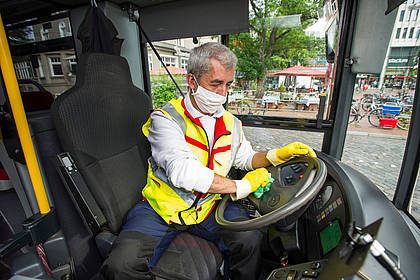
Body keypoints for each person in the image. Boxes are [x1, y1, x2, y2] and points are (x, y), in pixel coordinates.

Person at [102, 42, 315, 280]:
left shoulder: (231, 123)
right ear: (192, 82)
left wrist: (275, 155)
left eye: (228, 85)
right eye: (215, 84)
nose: (223, 93)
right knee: (121, 265)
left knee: (250, 240)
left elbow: (244, 158)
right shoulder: (166, 119)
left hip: (210, 207)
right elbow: (182, 171)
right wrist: (242, 187)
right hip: (161, 209)